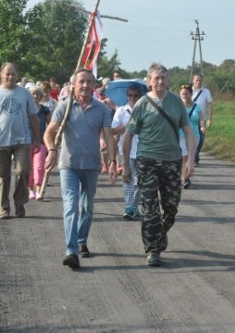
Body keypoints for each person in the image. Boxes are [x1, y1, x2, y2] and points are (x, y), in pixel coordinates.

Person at [122, 63, 196, 267]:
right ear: (149, 81)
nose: (160, 81)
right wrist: (125, 165)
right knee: (150, 207)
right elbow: (128, 135)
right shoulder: (142, 104)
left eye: (163, 78)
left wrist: (189, 160)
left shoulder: (176, 102)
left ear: (168, 80)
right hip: (146, 160)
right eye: (156, 78)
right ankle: (153, 249)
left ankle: (159, 234)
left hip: (172, 160)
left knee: (171, 206)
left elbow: (188, 131)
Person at [44, 68, 118, 269]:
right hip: (69, 164)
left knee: (87, 206)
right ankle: (71, 251)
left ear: (94, 86)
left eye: (89, 82)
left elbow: (109, 136)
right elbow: (49, 132)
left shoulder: (101, 109)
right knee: (70, 205)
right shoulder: (65, 106)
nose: (85, 85)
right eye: (81, 82)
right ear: (74, 85)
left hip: (92, 165)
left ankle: (81, 239)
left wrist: (112, 162)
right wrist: (51, 150)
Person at [0, 63, 40, 219]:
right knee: (3, 175)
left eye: (13, 74)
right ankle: (3, 209)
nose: (10, 77)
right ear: (1, 75)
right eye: (7, 74)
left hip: (22, 140)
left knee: (23, 171)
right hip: (0, 142)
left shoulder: (25, 93)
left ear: (17, 75)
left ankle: (19, 203)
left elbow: (33, 116)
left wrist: (37, 138)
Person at [111, 84, 142, 219]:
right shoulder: (121, 111)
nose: (132, 98)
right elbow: (113, 130)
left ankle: (134, 204)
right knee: (127, 178)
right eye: (130, 95)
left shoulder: (145, 110)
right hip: (126, 150)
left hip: (143, 150)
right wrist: (126, 126)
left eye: (135, 95)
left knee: (141, 180)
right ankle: (129, 207)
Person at [179, 84, 205, 189]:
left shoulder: (196, 107)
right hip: (181, 134)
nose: (185, 96)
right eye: (182, 94)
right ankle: (185, 178)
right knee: (184, 156)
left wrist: (203, 126)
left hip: (194, 135)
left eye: (187, 94)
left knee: (191, 156)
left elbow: (201, 119)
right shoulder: (178, 106)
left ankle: (186, 175)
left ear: (191, 94)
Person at [28, 86, 52, 200]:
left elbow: (51, 125)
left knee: (39, 166)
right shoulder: (25, 108)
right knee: (28, 167)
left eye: (38, 94)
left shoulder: (44, 109)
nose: (35, 96)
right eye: (33, 94)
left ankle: (38, 190)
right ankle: (30, 189)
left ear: (41, 97)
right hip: (26, 141)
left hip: (41, 142)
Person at [191, 73, 213, 166]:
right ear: (193, 81)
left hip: (202, 120)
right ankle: (194, 159)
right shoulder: (188, 91)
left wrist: (209, 119)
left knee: (201, 139)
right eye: (197, 80)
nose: (199, 82)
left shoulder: (206, 92)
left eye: (200, 80)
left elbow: (210, 105)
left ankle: (195, 154)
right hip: (190, 120)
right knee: (192, 139)